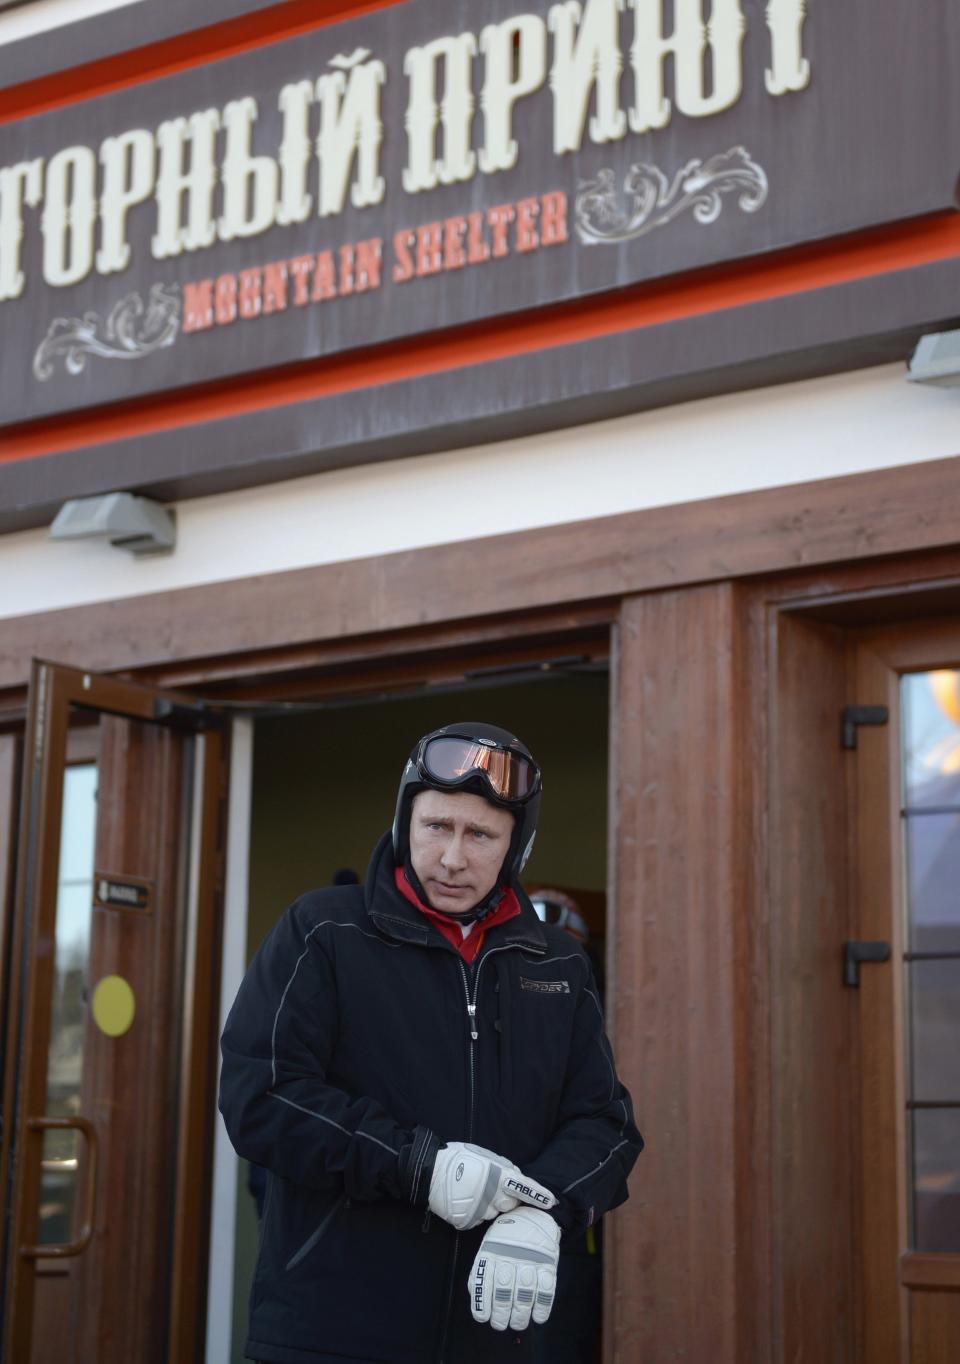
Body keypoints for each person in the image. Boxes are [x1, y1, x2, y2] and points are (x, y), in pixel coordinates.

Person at [219, 722, 643, 1364]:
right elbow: (264, 1094)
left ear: (516, 847)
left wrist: (546, 1210)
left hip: (497, 1333)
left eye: (480, 835)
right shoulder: (324, 931)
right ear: (403, 822)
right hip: (331, 1329)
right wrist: (419, 1165)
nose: (452, 857)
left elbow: (604, 1122)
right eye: (436, 826)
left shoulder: (555, 962)